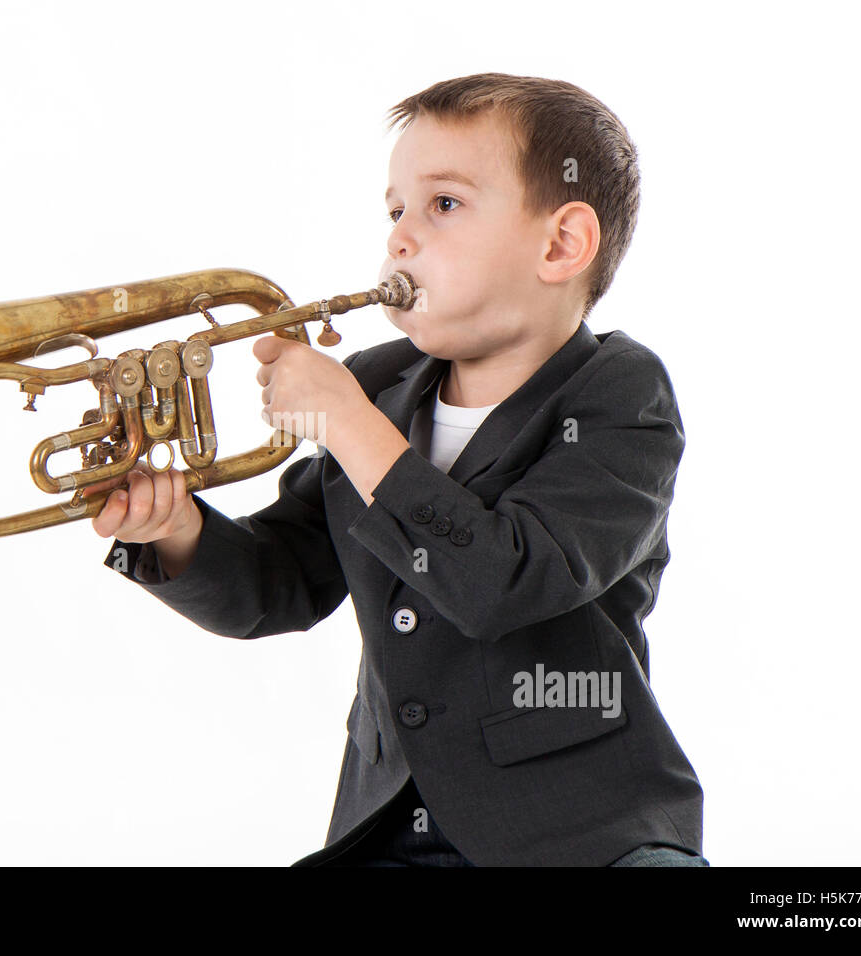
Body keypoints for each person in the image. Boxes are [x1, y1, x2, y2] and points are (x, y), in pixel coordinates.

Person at [93, 72, 707, 867]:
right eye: (394, 211)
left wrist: (348, 424)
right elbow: (282, 583)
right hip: (386, 831)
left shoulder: (622, 395)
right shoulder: (382, 382)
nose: (399, 238)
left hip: (584, 835)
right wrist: (174, 532)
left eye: (442, 205)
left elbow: (505, 581)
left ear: (561, 245)